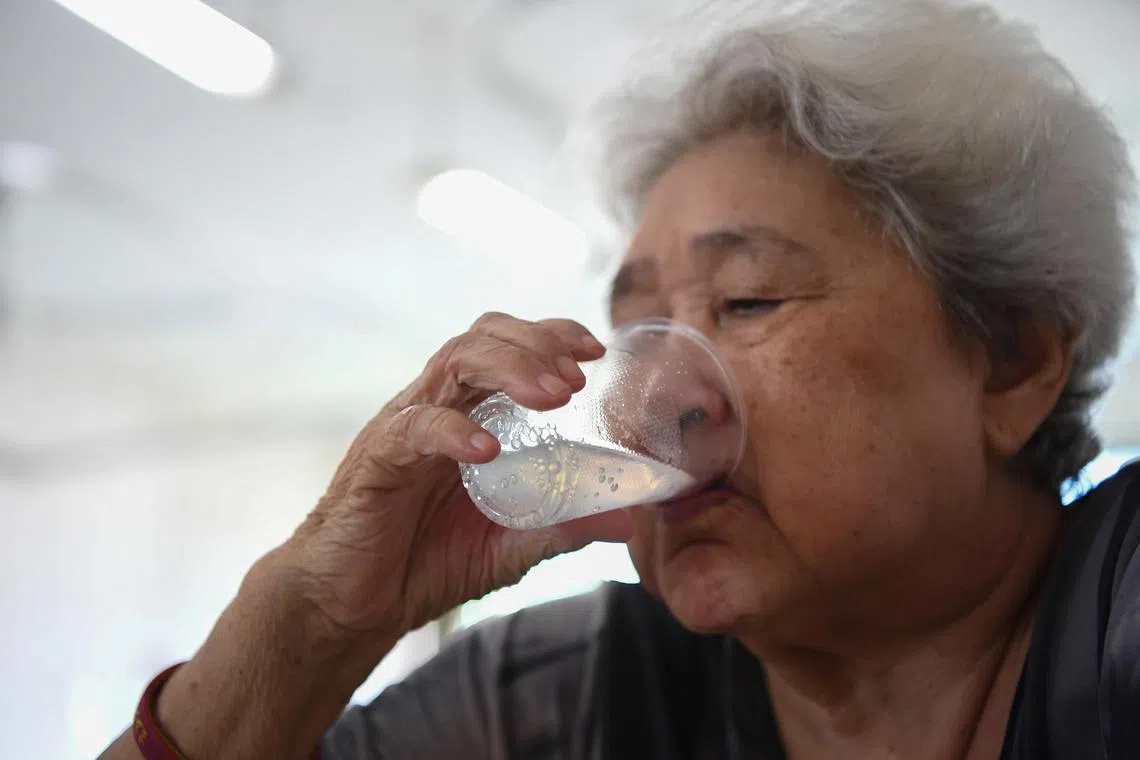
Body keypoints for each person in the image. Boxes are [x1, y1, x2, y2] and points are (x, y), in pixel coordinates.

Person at [99, 0, 1140, 758]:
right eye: (638, 326)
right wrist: (317, 619)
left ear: (1013, 360)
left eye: (749, 300)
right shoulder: (565, 695)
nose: (653, 401)